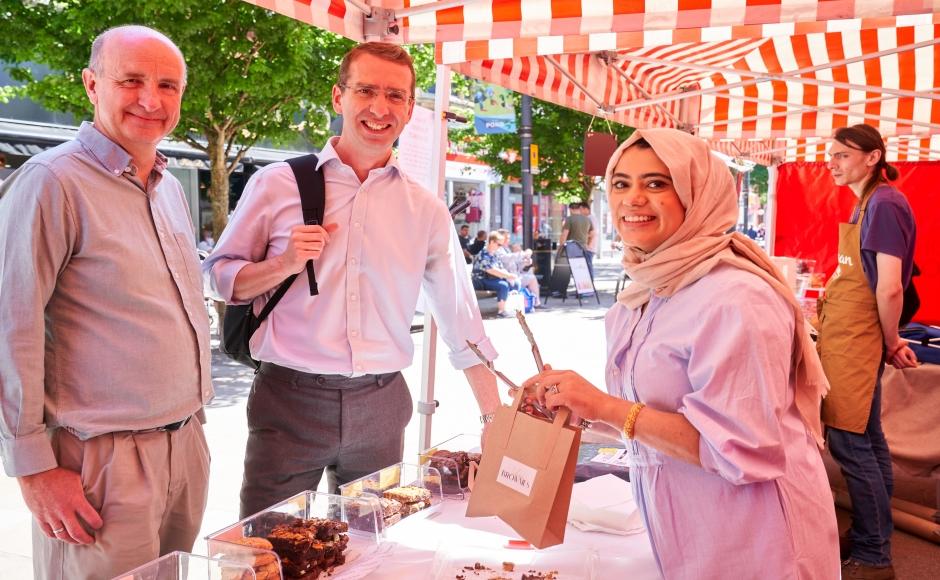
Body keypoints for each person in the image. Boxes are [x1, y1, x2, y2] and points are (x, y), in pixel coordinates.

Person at [522, 128, 839, 579]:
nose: (633, 199)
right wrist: (580, 408)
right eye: (621, 183)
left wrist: (605, 405)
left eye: (656, 183)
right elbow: (652, 414)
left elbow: (740, 450)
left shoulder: (734, 298)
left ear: (697, 194)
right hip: (684, 527)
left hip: (757, 538)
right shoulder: (644, 293)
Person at [203, 42, 499, 518]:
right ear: (338, 97)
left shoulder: (424, 207)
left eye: (395, 96)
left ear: (409, 108)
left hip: (380, 403)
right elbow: (216, 278)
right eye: (366, 90)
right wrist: (281, 265)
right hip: (289, 399)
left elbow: (461, 317)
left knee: (373, 550)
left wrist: (492, 415)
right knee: (266, 551)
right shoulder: (278, 183)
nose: (380, 108)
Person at [0, 26, 212, 579]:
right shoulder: (51, 182)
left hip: (184, 445)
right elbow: (10, 326)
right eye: (131, 80)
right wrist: (34, 470)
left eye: (168, 85)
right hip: (100, 462)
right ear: (92, 85)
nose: (152, 99)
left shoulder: (167, 185)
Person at [819, 124, 918, 580]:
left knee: (851, 442)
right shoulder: (867, 203)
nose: (832, 162)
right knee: (869, 441)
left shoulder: (885, 203)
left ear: (873, 157)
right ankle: (868, 535)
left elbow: (891, 287)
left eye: (841, 155)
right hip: (850, 337)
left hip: (857, 340)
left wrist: (892, 339)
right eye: (831, 155)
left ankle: (875, 556)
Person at [471, 231, 520, 318]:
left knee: (515, 283)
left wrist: (509, 276)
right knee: (503, 285)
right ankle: (501, 311)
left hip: (492, 279)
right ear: (492, 242)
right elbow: (490, 270)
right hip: (480, 280)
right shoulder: (484, 253)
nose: (500, 247)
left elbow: (501, 268)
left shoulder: (495, 254)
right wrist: (508, 276)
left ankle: (510, 307)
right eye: (499, 244)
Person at [558, 201, 595, 277]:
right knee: (581, 269)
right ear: (579, 208)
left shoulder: (569, 219)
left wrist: (561, 248)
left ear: (570, 209)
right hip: (583, 248)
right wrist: (588, 245)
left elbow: (564, 235)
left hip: (571, 248)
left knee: (568, 270)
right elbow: (592, 234)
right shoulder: (587, 219)